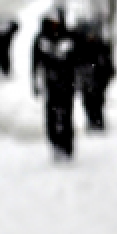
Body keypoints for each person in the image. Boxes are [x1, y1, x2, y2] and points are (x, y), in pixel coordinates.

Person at [31, 13, 78, 159]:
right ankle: (55, 143)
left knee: (67, 116)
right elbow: (35, 63)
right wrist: (35, 83)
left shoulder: (68, 36)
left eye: (57, 22)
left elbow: (77, 59)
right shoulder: (41, 39)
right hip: (50, 85)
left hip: (68, 83)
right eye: (52, 22)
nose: (54, 25)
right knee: (51, 116)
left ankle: (67, 145)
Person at [75, 20, 115, 131]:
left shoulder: (101, 46)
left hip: (98, 80)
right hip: (88, 80)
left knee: (97, 102)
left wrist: (105, 78)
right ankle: (92, 121)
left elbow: (108, 64)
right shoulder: (82, 46)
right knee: (88, 102)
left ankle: (98, 121)